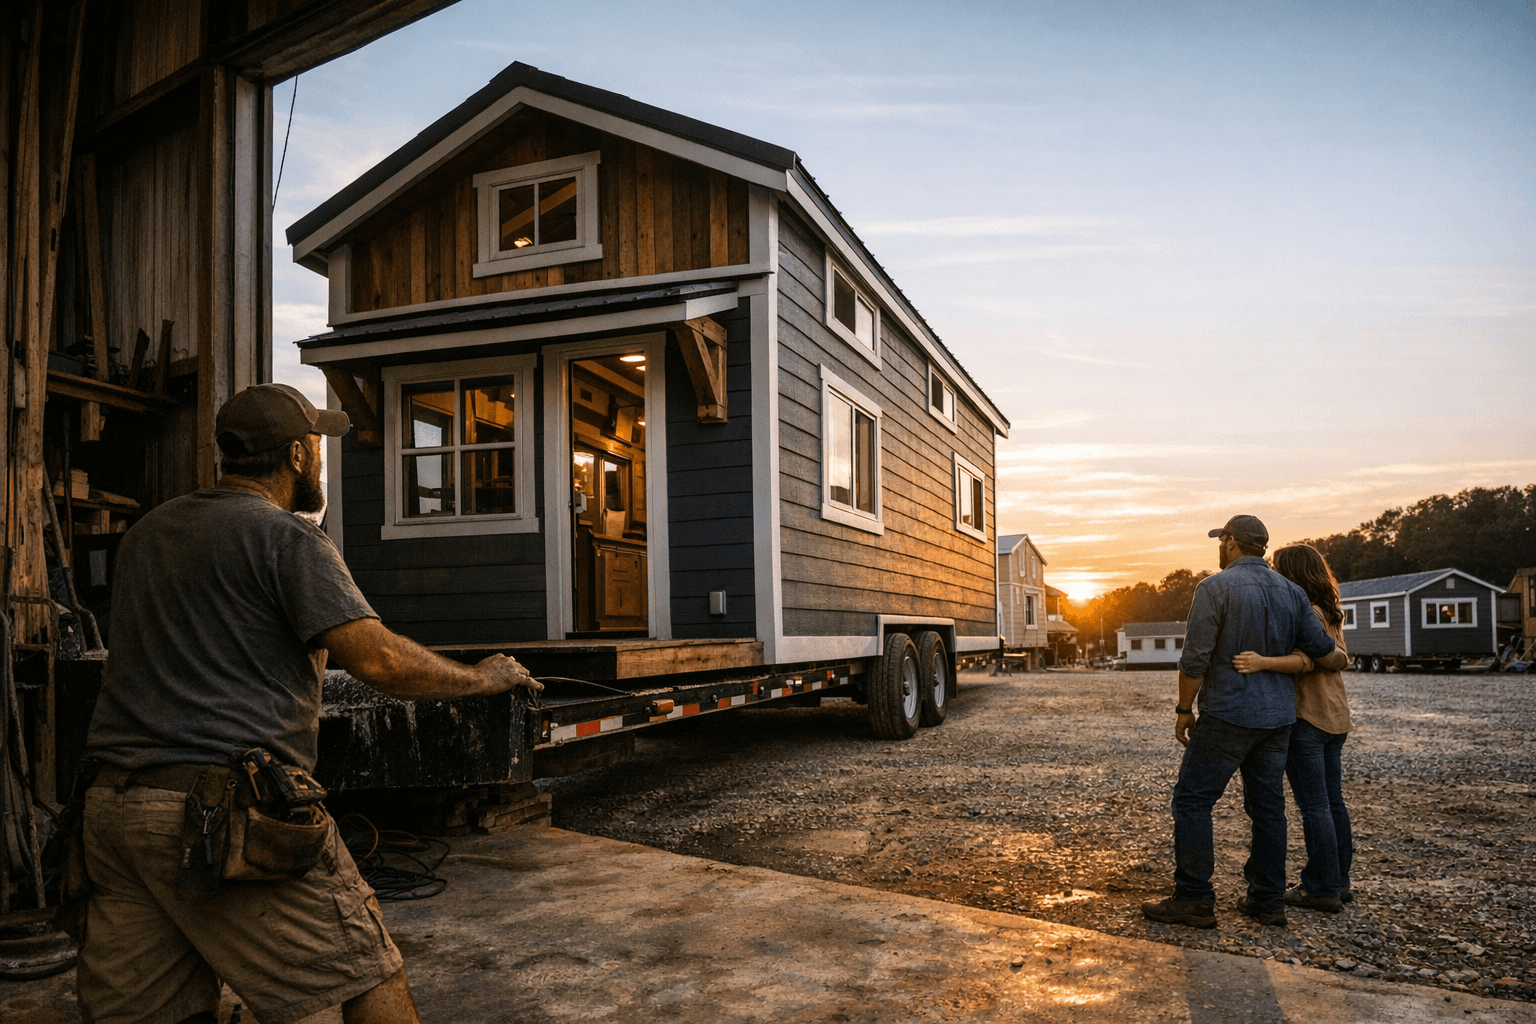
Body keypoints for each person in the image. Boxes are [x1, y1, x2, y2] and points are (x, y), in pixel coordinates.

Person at [77, 383, 542, 1024]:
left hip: (111, 811)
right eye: (317, 445)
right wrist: (482, 679)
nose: (320, 459)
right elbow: (378, 660)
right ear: (297, 455)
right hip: (219, 812)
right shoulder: (286, 538)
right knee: (366, 971)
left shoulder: (148, 535)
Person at [1140, 515, 1344, 930]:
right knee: (1268, 809)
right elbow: (1324, 651)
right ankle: (1267, 902)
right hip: (1278, 719)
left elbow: (1195, 658)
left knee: (1193, 800)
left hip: (1228, 713)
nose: (1220, 546)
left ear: (1231, 542)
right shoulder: (1293, 592)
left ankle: (1194, 898)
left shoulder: (1214, 587)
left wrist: (1184, 710)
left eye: (1222, 540)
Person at [1231, 544, 1354, 914]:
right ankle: (1338, 881)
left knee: (1314, 804)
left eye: (1277, 567)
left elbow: (1305, 661)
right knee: (1332, 802)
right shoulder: (1330, 610)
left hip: (1309, 716)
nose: (1272, 573)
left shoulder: (1307, 612)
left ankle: (1321, 888)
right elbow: (1339, 657)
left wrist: (1261, 662)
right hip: (1335, 715)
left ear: (1293, 573)